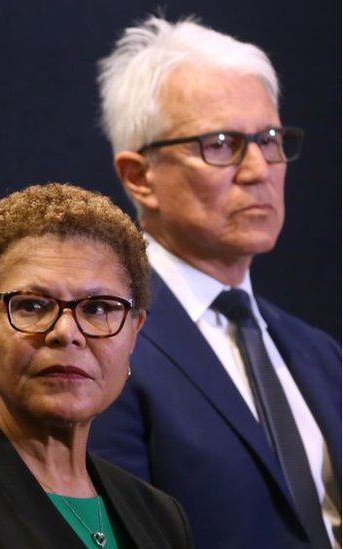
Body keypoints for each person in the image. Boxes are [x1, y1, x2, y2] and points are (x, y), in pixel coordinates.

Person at [88, 15, 341, 549]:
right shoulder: (103, 344)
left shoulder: (318, 353)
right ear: (139, 176)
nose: (259, 170)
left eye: (269, 139)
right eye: (222, 144)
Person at [0, 183, 194, 548]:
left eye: (97, 308)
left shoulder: (161, 517)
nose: (66, 333)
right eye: (32, 306)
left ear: (134, 331)